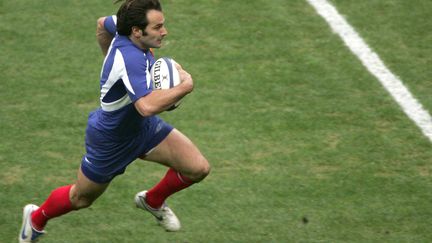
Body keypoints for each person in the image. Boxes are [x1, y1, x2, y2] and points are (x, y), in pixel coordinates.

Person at [19, 0, 210, 242]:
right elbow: (147, 106)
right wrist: (185, 86)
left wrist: (109, 63)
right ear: (137, 31)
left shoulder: (124, 25)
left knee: (198, 168)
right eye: (158, 27)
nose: (164, 32)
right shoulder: (130, 60)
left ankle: (152, 201)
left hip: (142, 128)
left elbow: (102, 25)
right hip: (111, 139)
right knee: (81, 198)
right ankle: (36, 218)